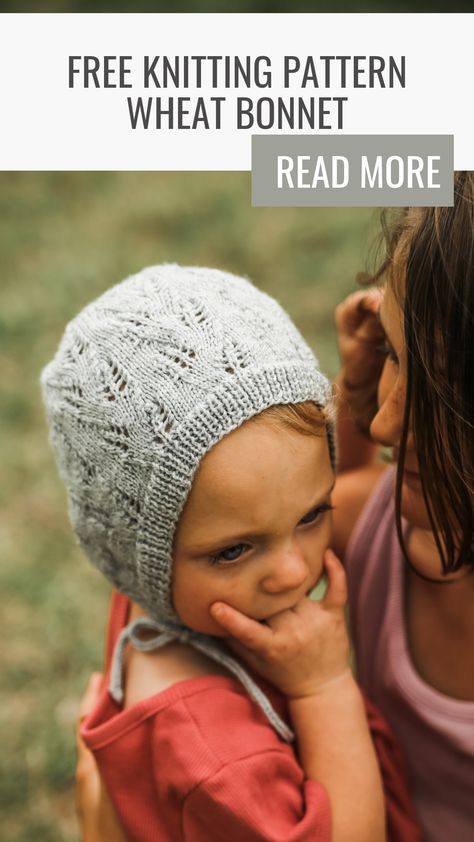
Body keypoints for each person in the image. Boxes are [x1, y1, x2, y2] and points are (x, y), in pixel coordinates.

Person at [42, 265, 419, 842]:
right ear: (137, 549)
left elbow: (290, 485)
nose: (295, 572)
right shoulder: (218, 761)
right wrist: (322, 687)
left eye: (313, 515)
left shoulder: (165, 593)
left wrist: (355, 402)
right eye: (234, 551)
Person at [217, 174, 474, 842]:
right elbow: (296, 530)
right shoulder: (391, 528)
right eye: (391, 353)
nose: (387, 425)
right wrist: (352, 407)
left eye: (445, 391)